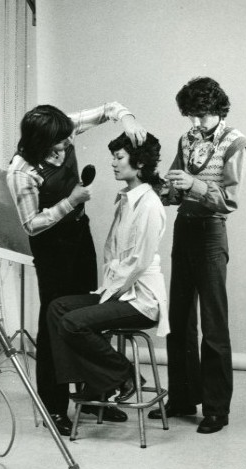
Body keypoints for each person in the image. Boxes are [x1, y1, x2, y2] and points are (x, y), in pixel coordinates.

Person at [7, 102, 147, 436]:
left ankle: (95, 395)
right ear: (41, 143)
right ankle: (54, 407)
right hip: (51, 247)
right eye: (59, 145)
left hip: (78, 237)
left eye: (68, 140)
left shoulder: (61, 129)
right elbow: (31, 224)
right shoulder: (20, 172)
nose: (67, 146)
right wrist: (70, 201)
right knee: (55, 321)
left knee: (88, 312)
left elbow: (109, 109)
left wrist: (127, 120)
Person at [149, 76, 246, 434]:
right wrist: (156, 186)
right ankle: (181, 397)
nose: (194, 123)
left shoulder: (235, 142)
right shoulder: (187, 138)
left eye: (201, 116)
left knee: (213, 323)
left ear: (217, 109)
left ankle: (216, 409)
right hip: (184, 230)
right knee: (179, 318)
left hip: (210, 233)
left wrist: (195, 185)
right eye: (190, 115)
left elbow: (229, 201)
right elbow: (175, 191)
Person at [47, 132, 168, 403]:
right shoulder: (126, 200)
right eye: (113, 157)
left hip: (140, 300)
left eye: (119, 157)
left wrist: (106, 297)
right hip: (119, 292)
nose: (113, 163)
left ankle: (123, 374)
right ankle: (100, 382)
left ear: (139, 163)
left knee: (73, 322)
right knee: (58, 308)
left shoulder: (148, 204)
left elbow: (139, 262)